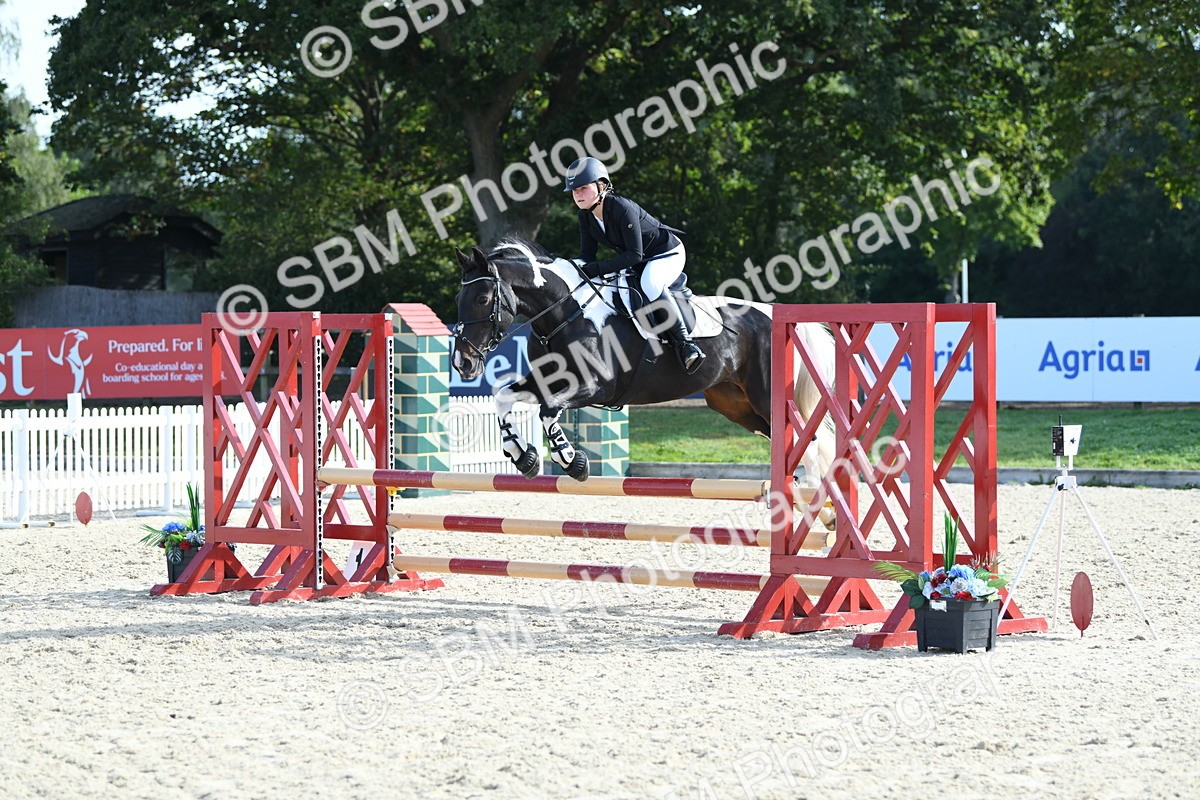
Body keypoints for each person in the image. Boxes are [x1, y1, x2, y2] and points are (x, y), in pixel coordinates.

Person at [563, 156, 706, 374]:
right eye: (574, 190)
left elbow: (634, 255)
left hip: (666, 253)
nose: (577, 194)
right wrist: (568, 269)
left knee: (650, 283)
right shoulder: (586, 216)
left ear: (601, 186)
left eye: (583, 188)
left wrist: (598, 269)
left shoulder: (621, 207)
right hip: (638, 261)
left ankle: (687, 345)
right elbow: (587, 255)